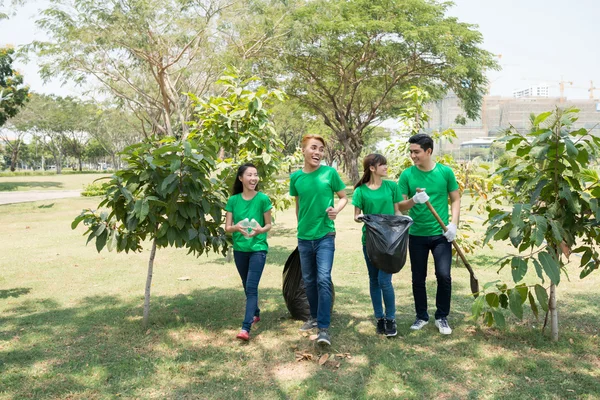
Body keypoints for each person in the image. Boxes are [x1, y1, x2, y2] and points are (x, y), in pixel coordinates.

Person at [397, 133, 460, 335]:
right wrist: (414, 200)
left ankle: (442, 316)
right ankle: (421, 316)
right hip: (416, 234)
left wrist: (453, 225)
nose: (413, 155)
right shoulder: (407, 175)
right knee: (418, 278)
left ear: (429, 151)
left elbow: (456, 199)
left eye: (416, 152)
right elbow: (400, 205)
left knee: (444, 275)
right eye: (411, 152)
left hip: (441, 234)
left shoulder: (445, 172)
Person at [290, 134, 347, 346]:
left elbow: (343, 197)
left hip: (325, 234)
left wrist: (336, 211)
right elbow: (299, 203)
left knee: (323, 278)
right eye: (313, 148)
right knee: (309, 280)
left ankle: (323, 328)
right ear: (303, 150)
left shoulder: (329, 173)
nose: (318, 152)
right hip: (304, 237)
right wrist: (300, 226)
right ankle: (313, 317)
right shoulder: (295, 178)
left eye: (321, 149)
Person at [353, 154, 401, 337]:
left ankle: (390, 318)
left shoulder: (391, 187)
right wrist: (362, 218)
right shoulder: (360, 191)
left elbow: (397, 211)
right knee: (374, 280)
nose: (386, 167)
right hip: (370, 242)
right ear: (372, 168)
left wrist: (403, 221)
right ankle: (379, 318)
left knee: (384, 281)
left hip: (389, 242)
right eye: (383, 165)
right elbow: (356, 216)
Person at [225, 163, 273, 341]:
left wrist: (260, 230)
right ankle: (256, 312)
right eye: (249, 175)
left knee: (251, 288)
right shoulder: (233, 200)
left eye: (256, 175)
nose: (253, 178)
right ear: (240, 178)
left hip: (258, 249)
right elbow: (227, 228)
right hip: (240, 250)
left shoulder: (263, 199)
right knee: (247, 285)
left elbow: (268, 224)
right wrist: (236, 227)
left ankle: (246, 328)